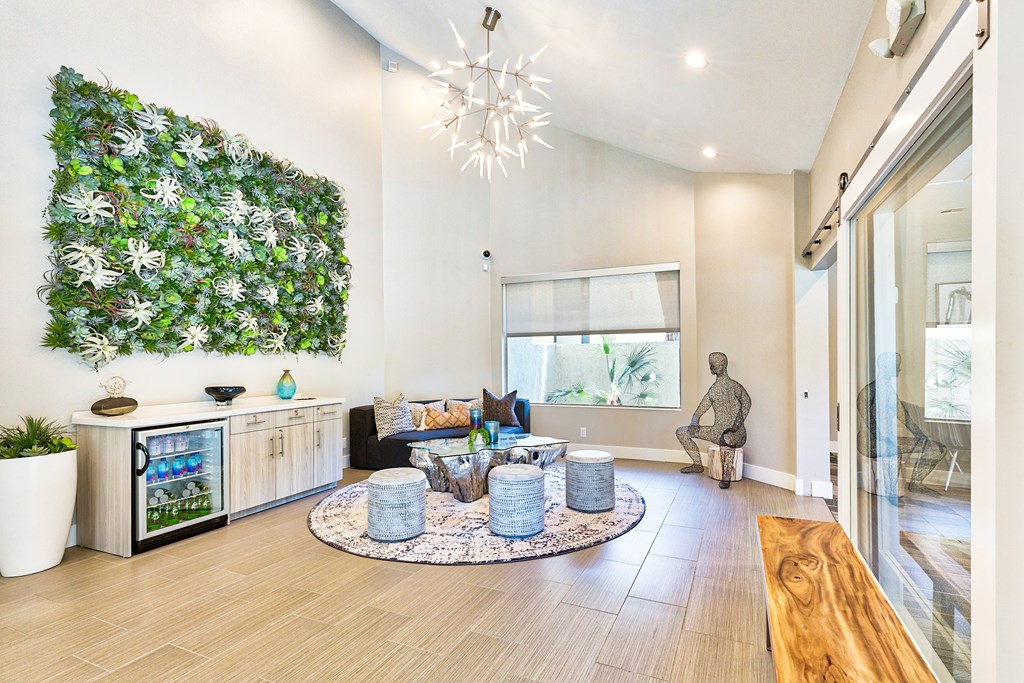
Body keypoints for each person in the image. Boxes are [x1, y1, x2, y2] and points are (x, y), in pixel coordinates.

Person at [857, 352, 948, 493]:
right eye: (895, 365)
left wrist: (920, 436)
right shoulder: (869, 391)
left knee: (936, 448)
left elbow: (904, 417)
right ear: (885, 366)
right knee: (894, 451)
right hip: (870, 441)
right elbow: (868, 420)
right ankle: (890, 492)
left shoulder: (890, 391)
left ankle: (916, 483)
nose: (899, 369)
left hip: (888, 439)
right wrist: (883, 438)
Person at [677, 352, 751, 488]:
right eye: (711, 363)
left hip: (736, 434)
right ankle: (697, 464)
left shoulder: (734, 386)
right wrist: (694, 421)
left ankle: (726, 477)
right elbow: (700, 409)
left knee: (727, 438)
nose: (712, 367)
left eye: (715, 364)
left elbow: (747, 402)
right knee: (682, 432)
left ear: (723, 365)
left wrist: (736, 425)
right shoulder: (713, 390)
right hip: (717, 432)